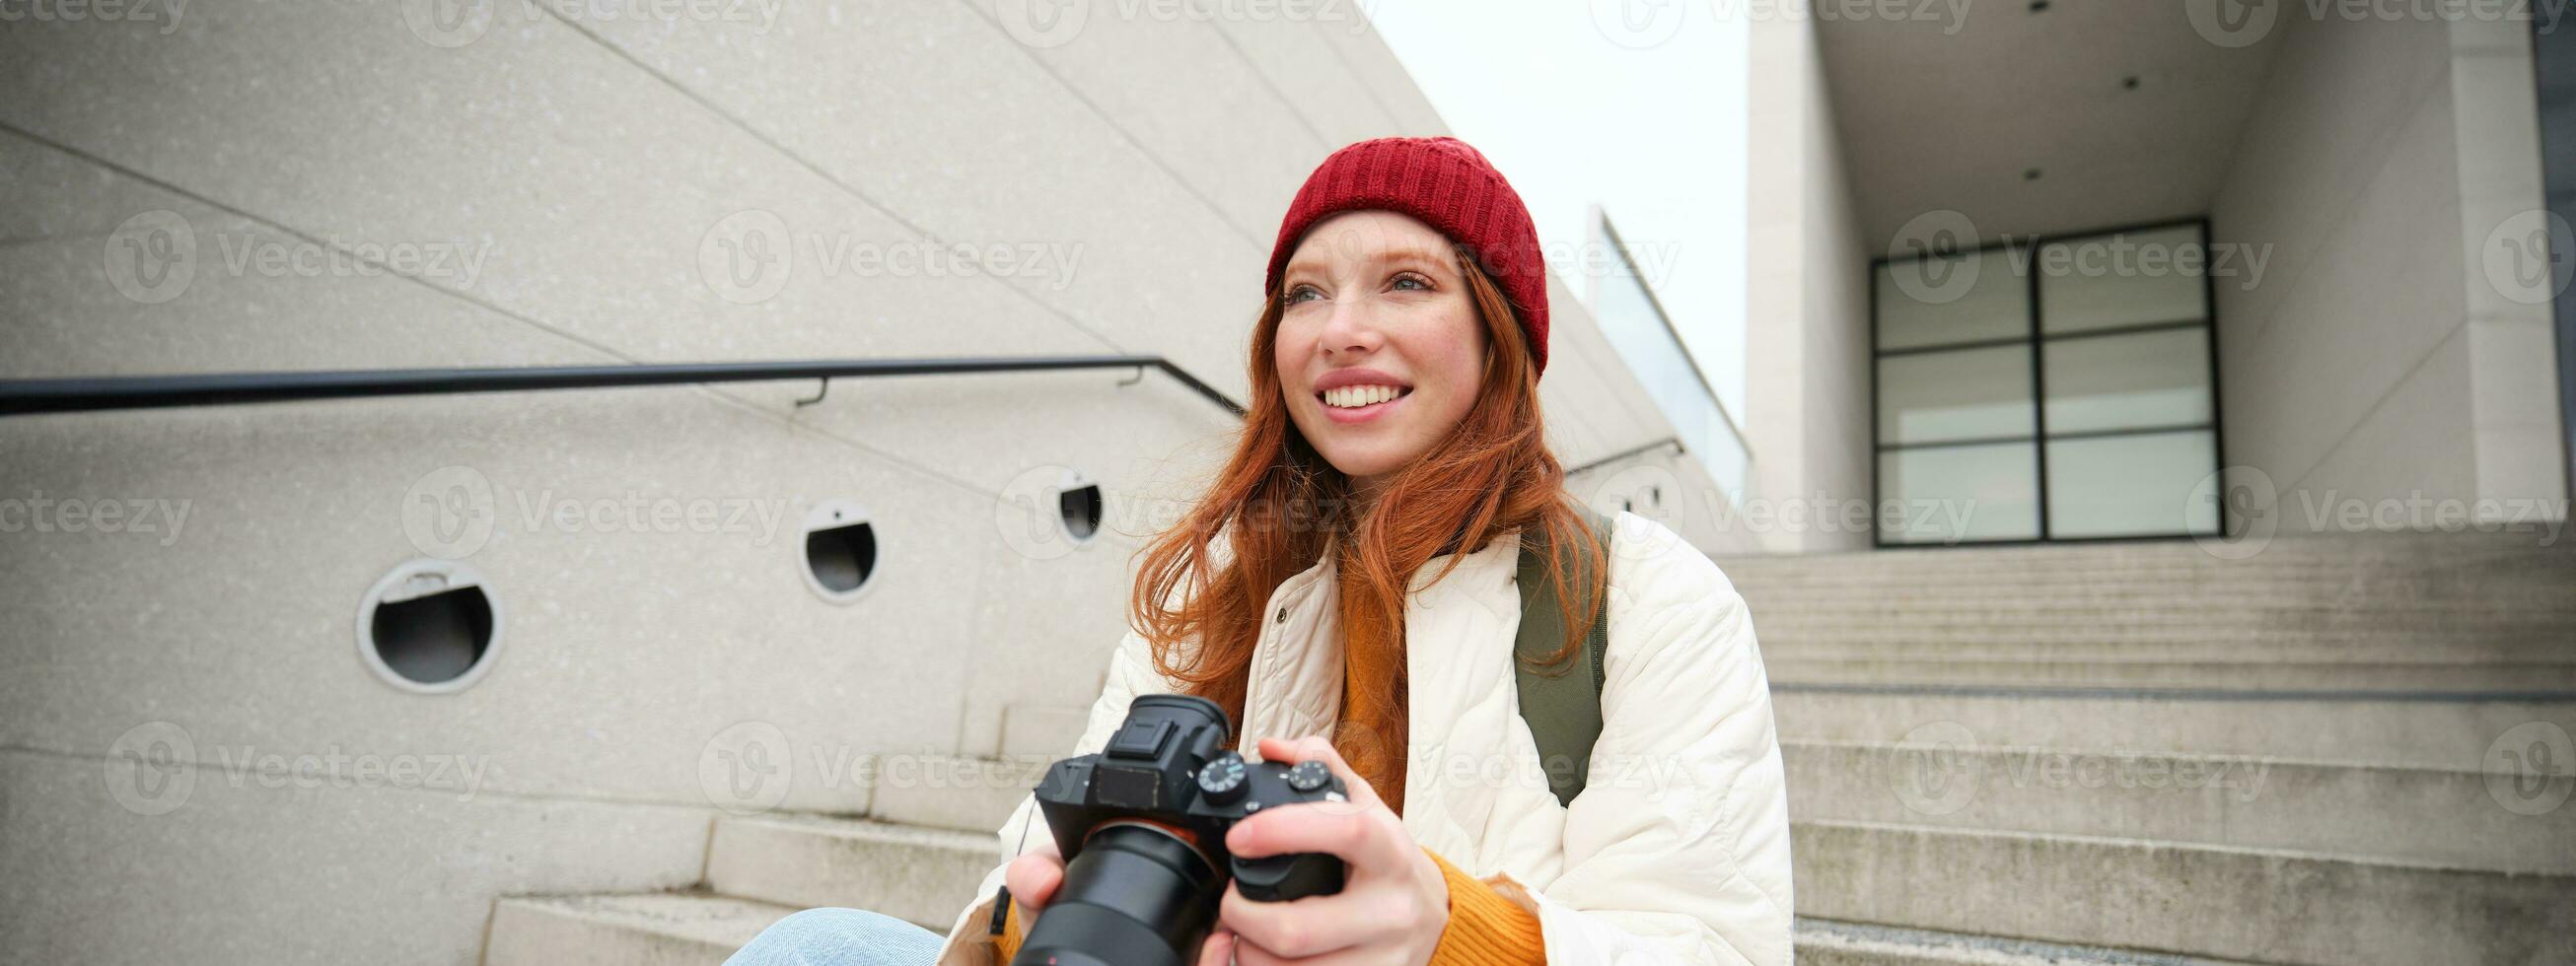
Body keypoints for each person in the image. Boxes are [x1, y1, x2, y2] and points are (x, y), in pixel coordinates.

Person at [730, 136, 1792, 966]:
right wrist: (1036, 906)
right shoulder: (1222, 586)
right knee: (810, 945)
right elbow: (1026, 869)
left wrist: (1443, 926)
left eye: (1407, 283)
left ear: (1495, 333)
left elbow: (1709, 942)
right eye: (1305, 292)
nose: (1340, 330)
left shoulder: (1647, 594)